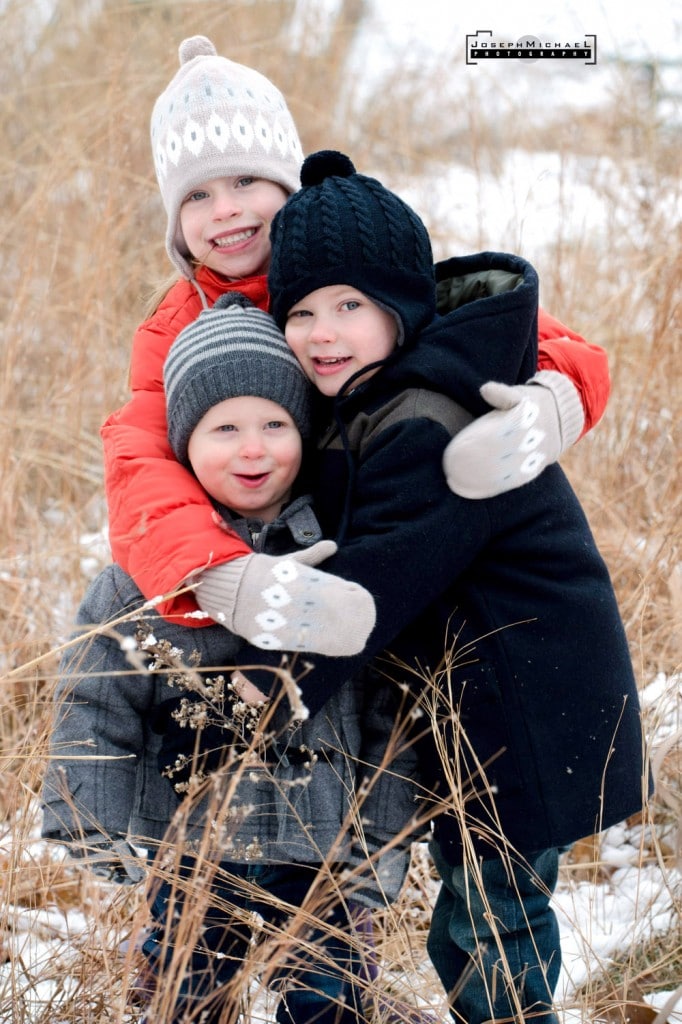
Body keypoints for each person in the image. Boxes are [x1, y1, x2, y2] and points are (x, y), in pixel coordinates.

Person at [159, 150, 648, 1024]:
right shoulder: (378, 398)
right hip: (480, 705)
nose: (322, 331)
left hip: (527, 709)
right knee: (476, 911)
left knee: (490, 922)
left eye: (351, 305)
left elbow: (372, 584)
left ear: (404, 307)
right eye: (301, 311)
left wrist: (248, 698)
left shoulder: (432, 415)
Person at [101, 34, 612, 643]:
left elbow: (494, 321)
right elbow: (139, 462)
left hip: (384, 529)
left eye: (244, 182)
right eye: (197, 196)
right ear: (177, 225)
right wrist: (214, 572)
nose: (224, 211)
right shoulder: (179, 326)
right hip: (274, 553)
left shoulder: (350, 252)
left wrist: (557, 396)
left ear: (287, 185)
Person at [41, 293, 421, 1024]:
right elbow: (95, 701)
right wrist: (90, 819)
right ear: (185, 442)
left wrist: (380, 839)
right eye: (225, 429)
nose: (254, 449)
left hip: (321, 856)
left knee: (333, 1003)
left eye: (275, 424)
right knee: (186, 998)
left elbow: (388, 713)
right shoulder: (139, 581)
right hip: (190, 852)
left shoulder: (341, 568)